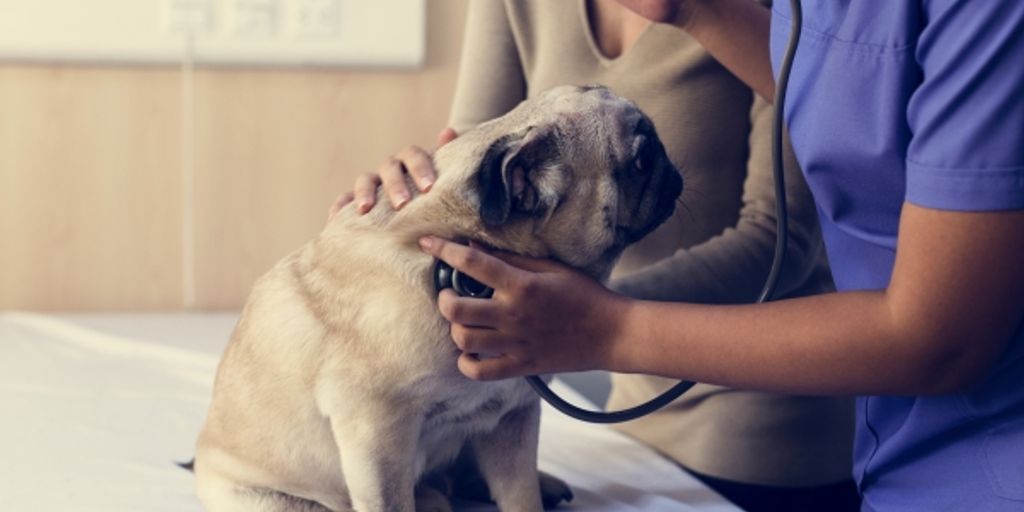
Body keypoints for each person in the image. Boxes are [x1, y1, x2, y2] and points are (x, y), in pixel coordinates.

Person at [409, 1, 1024, 511]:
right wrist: (406, 198)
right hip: (639, 420)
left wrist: (593, 323)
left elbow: (936, 334)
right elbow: (473, 190)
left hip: (802, 440)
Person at [334, 1, 860, 510]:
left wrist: (584, 321)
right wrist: (407, 199)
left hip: (756, 437)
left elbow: (778, 242)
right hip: (621, 419)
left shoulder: (787, 12)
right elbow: (480, 176)